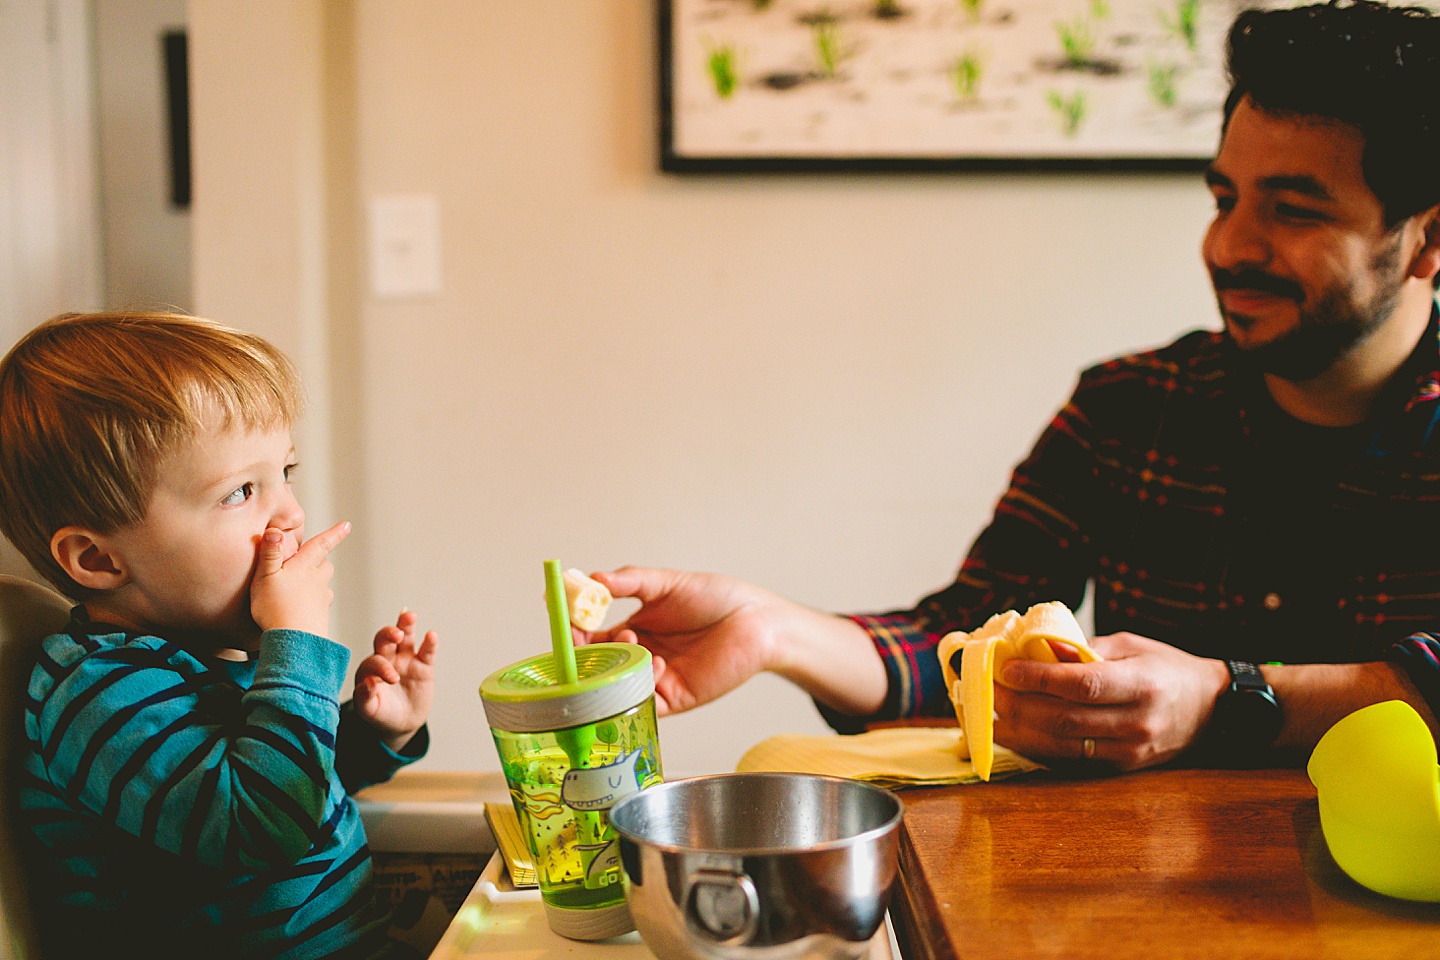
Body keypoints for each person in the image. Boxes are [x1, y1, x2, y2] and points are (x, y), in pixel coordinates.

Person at [585, 0, 1440, 773]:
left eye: (1293, 210)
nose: (1229, 247)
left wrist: (1225, 700)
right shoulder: (1128, 407)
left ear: (1426, 243)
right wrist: (772, 630)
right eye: (1224, 199)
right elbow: (962, 643)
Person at [0, 312, 439, 959]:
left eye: (283, 473)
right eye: (240, 492)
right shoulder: (98, 696)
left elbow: (294, 786)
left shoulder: (203, 659)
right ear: (97, 560)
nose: (290, 513)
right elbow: (260, 828)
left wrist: (373, 735)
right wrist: (296, 640)